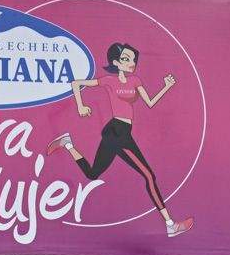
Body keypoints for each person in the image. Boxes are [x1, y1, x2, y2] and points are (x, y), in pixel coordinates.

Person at [46, 41, 194, 238]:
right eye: (126, 59)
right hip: (116, 132)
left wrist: (166, 87)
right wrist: (80, 106)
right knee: (149, 176)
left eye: (133, 59)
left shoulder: (136, 81)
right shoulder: (109, 81)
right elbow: (76, 83)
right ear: (116, 62)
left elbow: (149, 102)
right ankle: (169, 224)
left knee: (92, 174)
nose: (131, 63)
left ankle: (68, 144)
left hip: (122, 132)